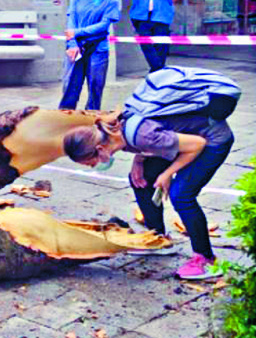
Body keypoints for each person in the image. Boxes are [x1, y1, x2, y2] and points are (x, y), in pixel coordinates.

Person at [62, 70, 239, 280]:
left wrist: (168, 173)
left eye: (90, 163)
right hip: (182, 136)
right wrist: (139, 160)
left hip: (211, 140)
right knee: (140, 179)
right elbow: (152, 133)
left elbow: (196, 145)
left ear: (100, 149)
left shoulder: (139, 136)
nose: (93, 167)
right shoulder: (111, 130)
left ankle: (206, 260)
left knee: (182, 195)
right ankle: (157, 239)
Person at [59, 0, 121, 110]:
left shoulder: (111, 1)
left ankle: (92, 117)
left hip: (98, 49)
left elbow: (103, 25)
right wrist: (72, 44)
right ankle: (65, 115)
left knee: (95, 85)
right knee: (70, 85)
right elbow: (71, 21)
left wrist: (78, 32)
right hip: (76, 48)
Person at [114, 0, 180, 72]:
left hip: (161, 16)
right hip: (141, 16)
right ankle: (158, 68)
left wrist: (165, 4)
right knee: (145, 42)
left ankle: (157, 70)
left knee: (160, 44)